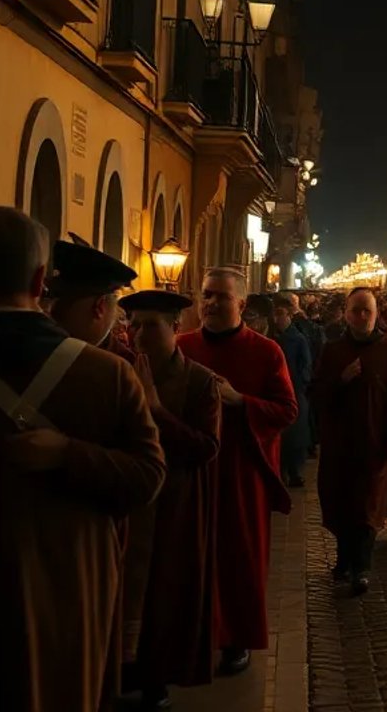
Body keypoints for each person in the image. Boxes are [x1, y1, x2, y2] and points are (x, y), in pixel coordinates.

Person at [0, 208, 166, 712]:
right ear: (41, 282)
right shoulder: (108, 375)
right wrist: (70, 455)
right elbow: (147, 478)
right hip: (69, 590)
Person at [178, 268, 296, 675]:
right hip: (193, 470)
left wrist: (239, 401)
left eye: (221, 297)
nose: (210, 304)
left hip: (243, 472)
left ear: (241, 305)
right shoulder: (182, 347)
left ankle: (236, 639)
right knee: (192, 556)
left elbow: (286, 410)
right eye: (206, 296)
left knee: (239, 558)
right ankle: (194, 633)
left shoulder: (267, 353)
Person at [119, 289, 221, 710]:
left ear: (176, 328)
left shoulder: (199, 381)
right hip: (127, 505)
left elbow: (207, 446)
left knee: (164, 592)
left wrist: (158, 410)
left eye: (151, 325)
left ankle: (155, 681)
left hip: (174, 506)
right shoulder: (118, 371)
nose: (139, 335)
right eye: (133, 324)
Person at [313, 288, 387, 596]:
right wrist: (341, 380)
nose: (361, 316)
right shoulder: (332, 351)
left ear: (376, 315)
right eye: (355, 310)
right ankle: (344, 559)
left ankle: (362, 567)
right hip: (340, 445)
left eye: (367, 311)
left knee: (368, 508)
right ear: (345, 313)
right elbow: (316, 394)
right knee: (341, 504)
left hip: (375, 443)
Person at [270, 295, 314, 487]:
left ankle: (294, 471)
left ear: (289, 316)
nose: (278, 318)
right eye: (276, 314)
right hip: (275, 390)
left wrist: (301, 383)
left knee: (295, 434)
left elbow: (306, 364)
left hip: (294, 388)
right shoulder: (271, 338)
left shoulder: (297, 338)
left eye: (281, 314)